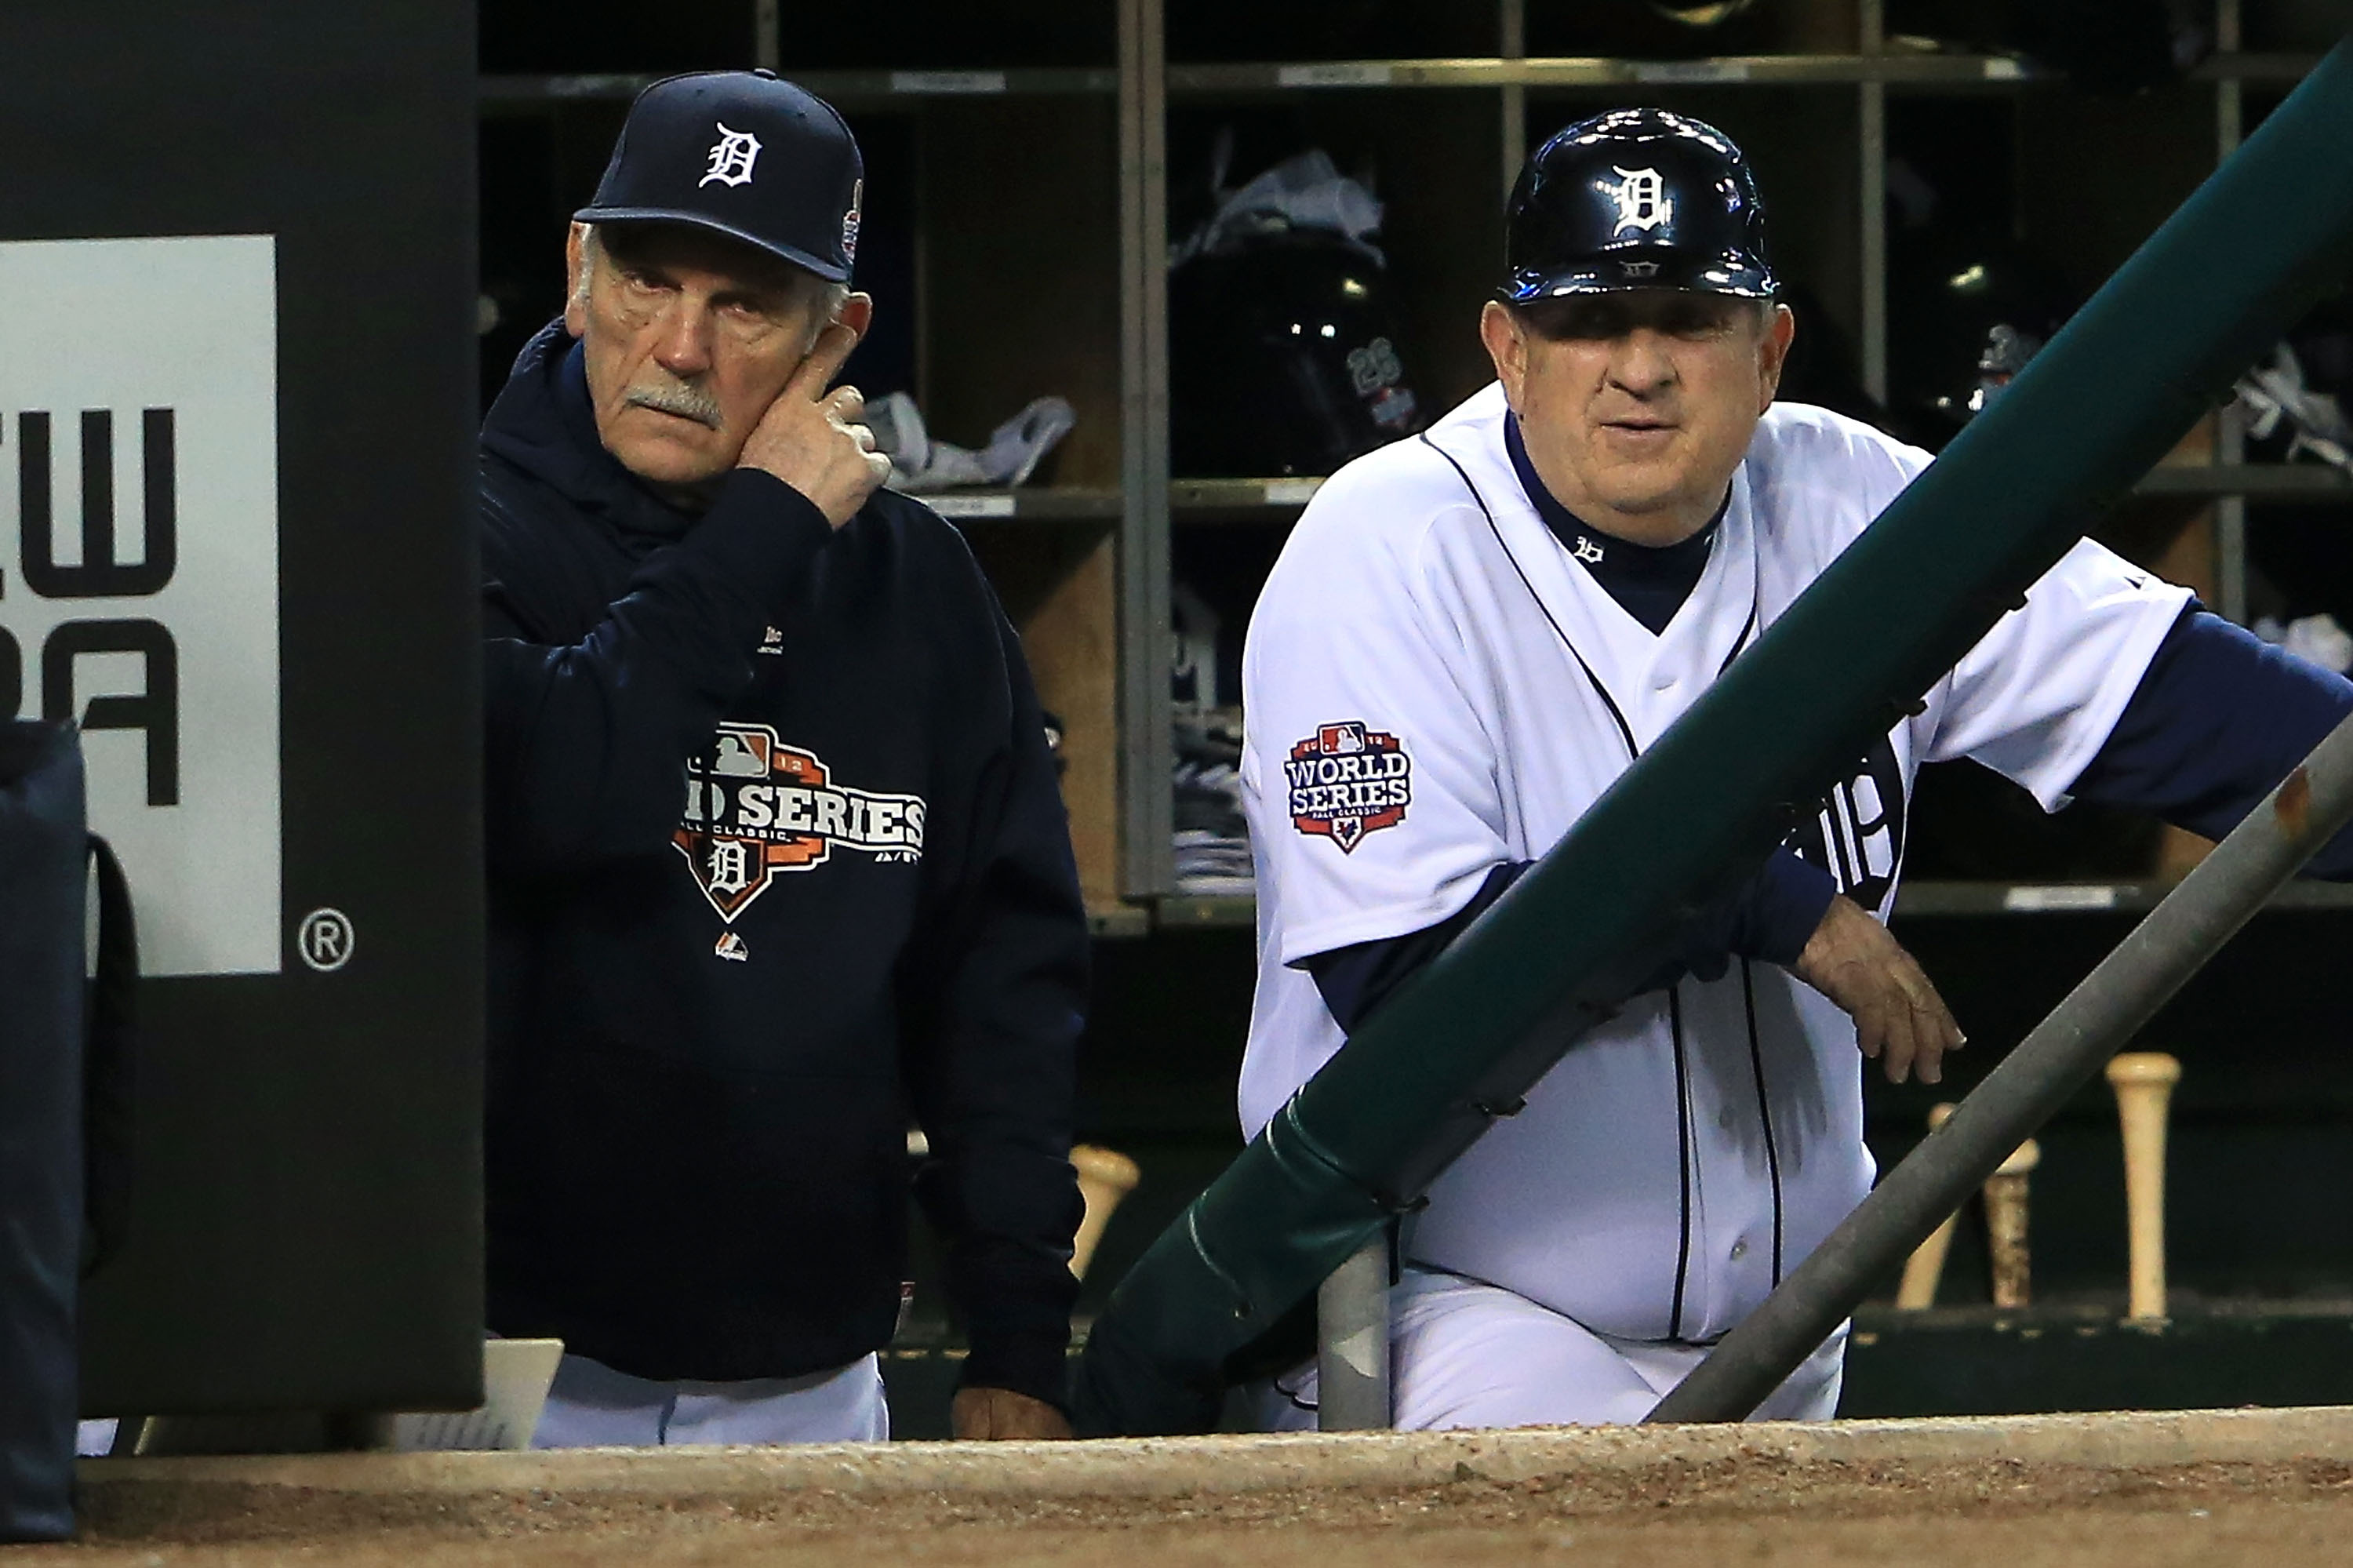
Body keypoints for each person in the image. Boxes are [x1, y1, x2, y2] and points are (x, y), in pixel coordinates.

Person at [1235, 107, 2353, 1430]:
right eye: (1590, 322)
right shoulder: (1380, 547)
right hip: (1437, 1312)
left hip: (1780, 1340)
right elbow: (1406, 970)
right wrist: (1774, 907)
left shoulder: (1862, 505)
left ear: (1767, 351)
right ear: (1510, 351)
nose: (1638, 368)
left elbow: (2210, 712)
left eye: (1690, 320)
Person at [477, 70, 1086, 1445]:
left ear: (836, 336)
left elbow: (999, 975)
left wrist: (1019, 1337)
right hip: (509, 1362)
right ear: (579, 271)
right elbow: (560, 795)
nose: (681, 347)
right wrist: (759, 529)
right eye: (646, 281)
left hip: (812, 1367)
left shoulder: (918, 589)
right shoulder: (460, 533)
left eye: (744, 303)